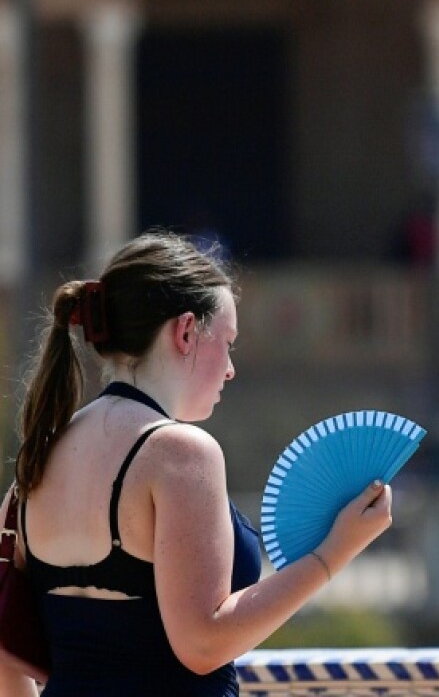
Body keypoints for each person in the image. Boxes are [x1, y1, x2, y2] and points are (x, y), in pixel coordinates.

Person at [0, 231, 394, 696]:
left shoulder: (39, 461)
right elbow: (203, 643)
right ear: (186, 331)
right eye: (227, 342)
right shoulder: (179, 452)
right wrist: (335, 552)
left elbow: (7, 652)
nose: (230, 368)